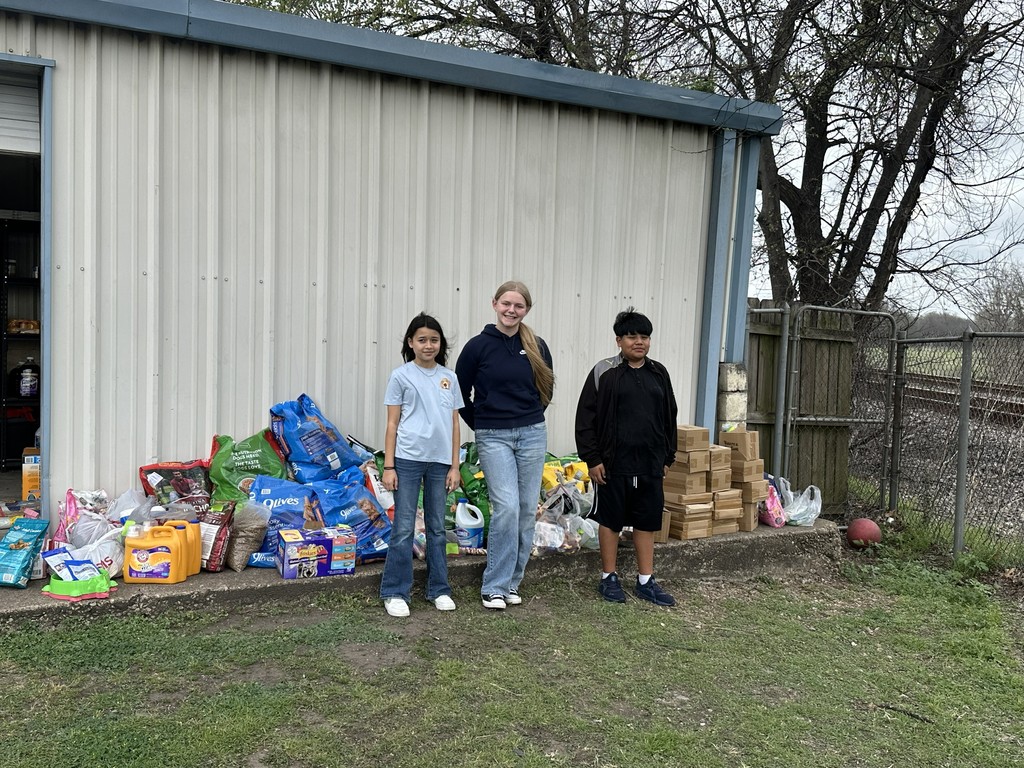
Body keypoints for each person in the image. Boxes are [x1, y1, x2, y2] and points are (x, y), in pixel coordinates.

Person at [456, 281, 554, 610]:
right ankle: (494, 586)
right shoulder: (477, 347)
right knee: (507, 507)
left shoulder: (537, 345)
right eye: (506, 304)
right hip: (493, 436)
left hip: (532, 434)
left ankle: (512, 583)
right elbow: (460, 394)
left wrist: (531, 418)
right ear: (494, 304)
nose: (512, 310)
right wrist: (483, 424)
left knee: (526, 510)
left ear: (527, 309)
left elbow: (546, 388)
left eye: (519, 306)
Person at [574, 307, 678, 606]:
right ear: (618, 340)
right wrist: (593, 459)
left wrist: (667, 457)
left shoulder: (659, 373)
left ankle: (646, 581)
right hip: (612, 464)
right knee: (611, 520)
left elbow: (669, 416)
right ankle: (608, 577)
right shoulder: (604, 372)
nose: (639, 342)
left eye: (644, 336)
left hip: (649, 463)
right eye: (631, 336)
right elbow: (585, 419)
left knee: (647, 520)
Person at [379, 313, 464, 617]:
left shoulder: (449, 378)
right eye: (422, 340)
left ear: (441, 344)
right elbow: (392, 423)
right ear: (411, 342)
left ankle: (439, 589)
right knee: (403, 528)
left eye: (434, 340)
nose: (429, 345)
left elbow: (455, 424)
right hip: (407, 460)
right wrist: (389, 467)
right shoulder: (401, 376)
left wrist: (455, 466)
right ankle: (395, 591)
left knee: (437, 528)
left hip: (440, 463)